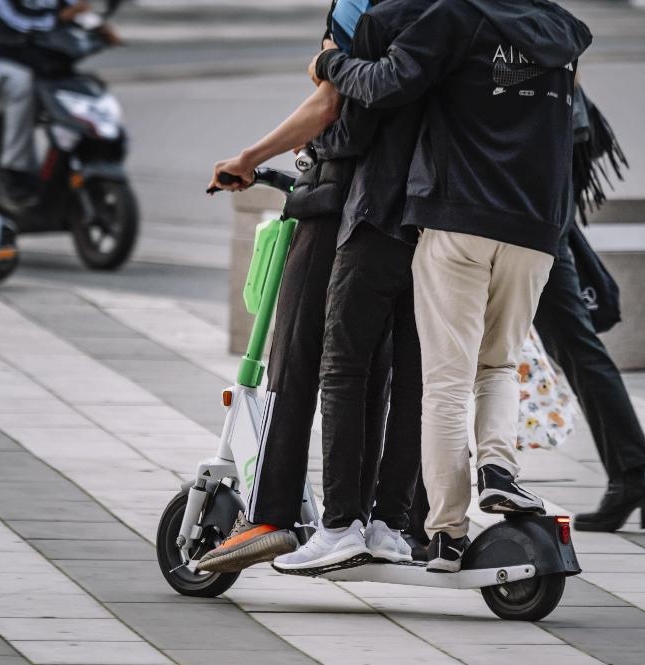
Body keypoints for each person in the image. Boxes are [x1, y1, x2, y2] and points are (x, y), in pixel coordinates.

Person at [308, 0, 592, 572]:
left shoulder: (455, 16)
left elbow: (387, 84)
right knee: (499, 364)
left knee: (445, 383)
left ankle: (446, 534)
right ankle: (498, 470)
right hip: (536, 228)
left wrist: (331, 64)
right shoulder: (564, 31)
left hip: (458, 217)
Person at [196, 0, 428, 573]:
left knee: (296, 357)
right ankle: (379, 520)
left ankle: (273, 514)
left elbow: (329, 102)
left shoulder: (362, 8)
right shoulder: (448, 13)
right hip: (413, 209)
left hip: (339, 201)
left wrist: (249, 157)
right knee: (373, 369)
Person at [268, 0, 435, 575]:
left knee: (338, 367)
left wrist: (258, 154)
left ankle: (334, 523)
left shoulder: (371, 12)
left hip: (372, 209)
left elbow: (345, 111)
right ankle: (392, 523)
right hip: (446, 220)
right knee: (417, 378)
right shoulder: (478, 17)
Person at [533, 89, 645, 532]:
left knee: (575, 347)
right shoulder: (546, 37)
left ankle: (631, 476)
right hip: (543, 215)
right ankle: (630, 477)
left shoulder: (509, 35)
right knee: (577, 348)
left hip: (524, 219)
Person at [0, 0, 117, 209]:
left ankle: (64, 168)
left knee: (78, 87)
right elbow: (11, 23)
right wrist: (60, 18)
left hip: (31, 65)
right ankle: (14, 172)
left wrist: (98, 28)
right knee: (21, 84)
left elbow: (76, 10)